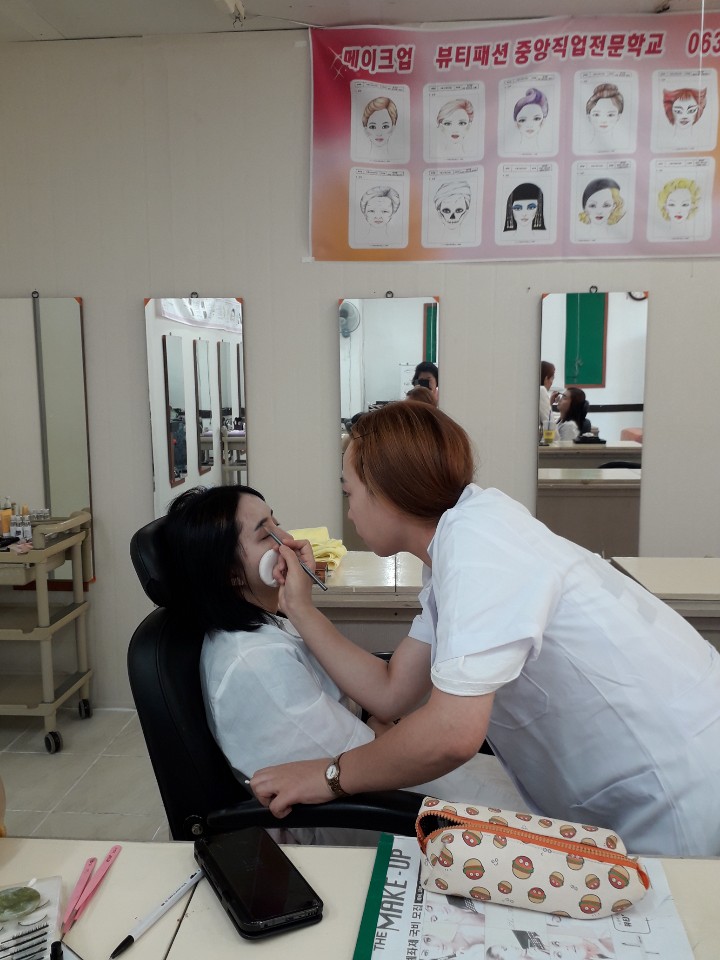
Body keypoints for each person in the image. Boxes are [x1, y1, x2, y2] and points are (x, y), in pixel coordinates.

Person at [249, 401, 720, 857]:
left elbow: (452, 733)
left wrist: (330, 776)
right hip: (655, 763)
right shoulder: (459, 538)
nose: (348, 510)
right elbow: (392, 692)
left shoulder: (478, 546)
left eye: (349, 492)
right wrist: (300, 608)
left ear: (386, 492)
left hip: (675, 782)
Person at [161, 483, 523, 843]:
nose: (286, 541)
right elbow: (347, 768)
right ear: (230, 573)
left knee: (517, 791)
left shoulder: (270, 624)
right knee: (525, 822)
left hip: (376, 777)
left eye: (277, 523)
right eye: (265, 534)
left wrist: (300, 608)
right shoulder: (255, 666)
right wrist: (377, 727)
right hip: (370, 811)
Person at [539, 360, 557, 427]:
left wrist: (549, 402)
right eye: (552, 378)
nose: (552, 383)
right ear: (546, 379)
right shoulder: (541, 390)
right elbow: (549, 424)